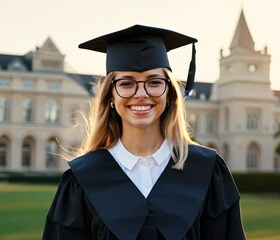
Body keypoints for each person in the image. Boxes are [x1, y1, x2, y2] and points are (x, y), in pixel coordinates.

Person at [42, 25, 246, 240]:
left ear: (169, 93)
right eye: (127, 83)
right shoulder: (82, 179)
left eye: (154, 82)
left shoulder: (207, 170)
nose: (141, 94)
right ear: (111, 96)